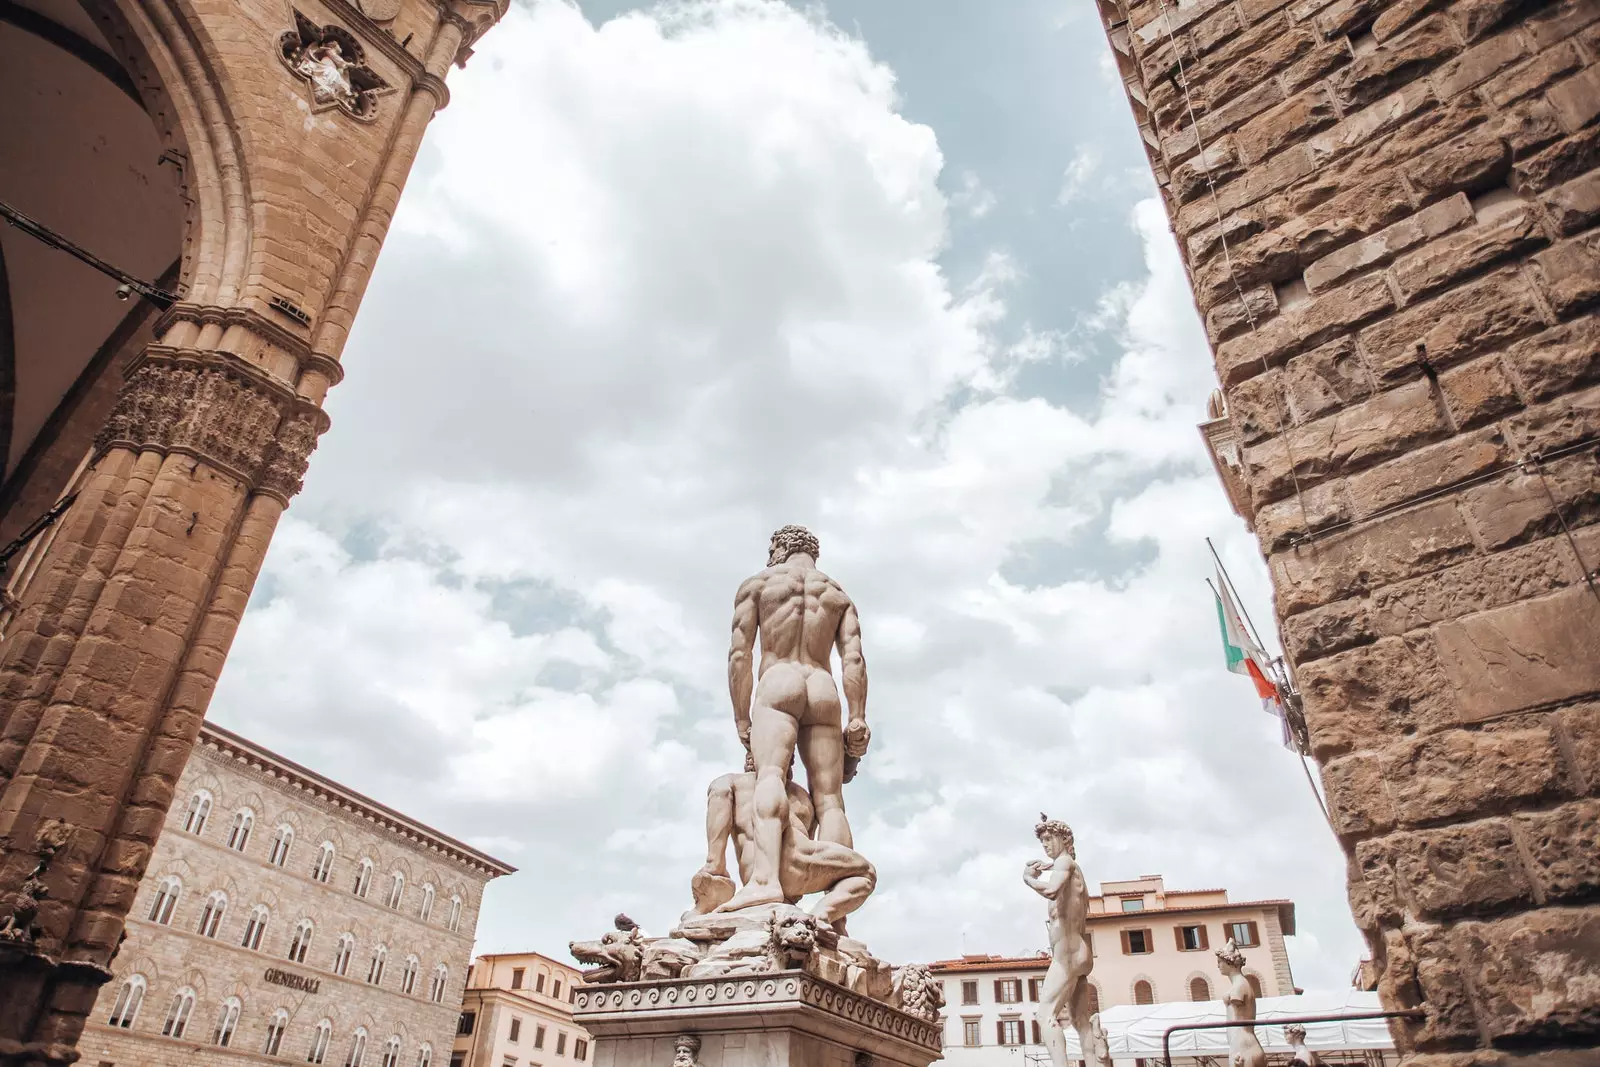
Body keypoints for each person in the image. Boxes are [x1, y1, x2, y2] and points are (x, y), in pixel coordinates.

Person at [720, 525, 868, 912]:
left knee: (769, 775)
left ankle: (765, 882)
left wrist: (741, 716)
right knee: (831, 800)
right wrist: (858, 716)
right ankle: (837, 907)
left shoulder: (758, 584)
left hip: (779, 681)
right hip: (822, 686)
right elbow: (853, 659)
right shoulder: (837, 594)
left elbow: (740, 655)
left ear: (780, 548)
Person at [690, 754, 875, 929]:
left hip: (756, 871)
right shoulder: (803, 797)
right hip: (798, 870)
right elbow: (811, 838)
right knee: (865, 874)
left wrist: (714, 868)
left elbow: (716, 848)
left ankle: (813, 921)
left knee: (863, 873)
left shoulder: (729, 783)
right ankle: (821, 916)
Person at [1023, 814, 1110, 1067]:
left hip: (1067, 953)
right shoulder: (1070, 867)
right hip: (1079, 950)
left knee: (1045, 1014)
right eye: (1043, 842)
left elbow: (1052, 890)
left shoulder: (1065, 864)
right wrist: (1048, 867)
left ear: (1064, 838)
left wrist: (1028, 879)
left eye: (1049, 839)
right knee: (1081, 1020)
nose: (1046, 845)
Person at [1216, 939, 1267, 1067]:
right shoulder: (1241, 984)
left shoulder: (1239, 986)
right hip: (1241, 1043)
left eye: (1220, 962)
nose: (1218, 966)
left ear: (1229, 962)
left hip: (1244, 1046)